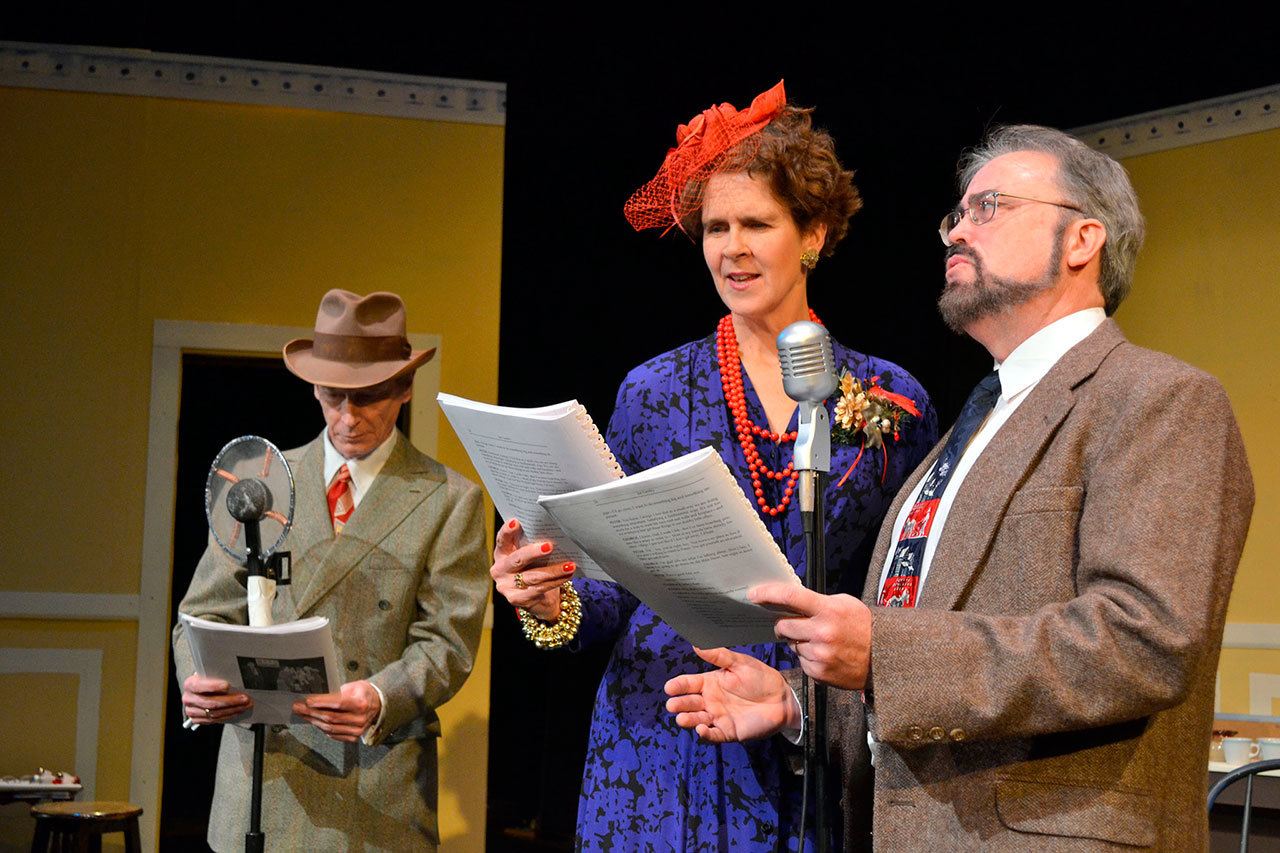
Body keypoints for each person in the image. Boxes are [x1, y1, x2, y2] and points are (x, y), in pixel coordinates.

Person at [665, 124, 1255, 850]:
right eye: (956, 215)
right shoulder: (963, 433)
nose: (957, 233)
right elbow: (918, 645)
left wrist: (883, 652)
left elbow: (1143, 639)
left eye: (991, 207)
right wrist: (799, 703)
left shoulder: (1159, 399)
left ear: (1082, 241)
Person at [490, 81, 937, 851]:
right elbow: (608, 600)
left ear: (815, 233)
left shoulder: (892, 400)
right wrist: (544, 596)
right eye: (714, 227)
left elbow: (910, 592)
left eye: (756, 223)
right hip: (657, 738)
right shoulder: (653, 390)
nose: (730, 247)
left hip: (804, 736)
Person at [172, 289, 489, 852]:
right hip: (264, 781)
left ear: (404, 388)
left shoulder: (449, 500)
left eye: (367, 397)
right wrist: (195, 681)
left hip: (376, 784)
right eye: (332, 395)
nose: (347, 417)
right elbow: (200, 612)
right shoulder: (257, 481)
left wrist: (379, 696)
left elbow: (448, 642)